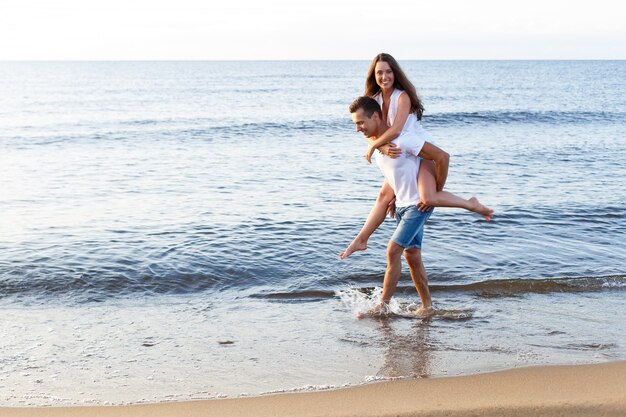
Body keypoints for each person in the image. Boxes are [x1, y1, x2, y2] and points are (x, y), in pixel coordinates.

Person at [339, 53, 493, 260]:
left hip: (419, 152)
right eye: (379, 73)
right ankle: (361, 239)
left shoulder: (402, 97)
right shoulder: (373, 100)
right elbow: (371, 131)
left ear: (395, 73)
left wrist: (374, 147)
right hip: (400, 154)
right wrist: (379, 147)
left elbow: (396, 130)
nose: (384, 77)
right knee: (384, 198)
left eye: (388, 72)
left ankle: (470, 203)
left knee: (428, 198)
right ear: (373, 75)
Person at [348, 96, 449, 315]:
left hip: (417, 205)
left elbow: (441, 156)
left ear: (376, 116)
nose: (357, 129)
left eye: (360, 123)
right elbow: (390, 186)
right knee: (412, 256)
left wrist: (435, 193)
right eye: (355, 124)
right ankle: (428, 307)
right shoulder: (382, 150)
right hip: (403, 205)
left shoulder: (403, 140)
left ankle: (381, 306)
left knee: (393, 250)